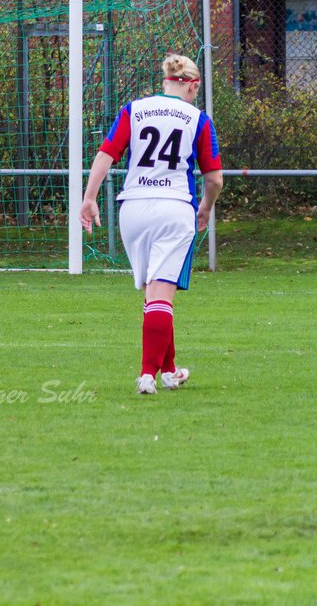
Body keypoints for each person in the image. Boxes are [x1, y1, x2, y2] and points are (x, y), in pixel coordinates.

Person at [80, 52, 223, 395]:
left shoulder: (135, 109)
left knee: (154, 293)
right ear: (192, 85)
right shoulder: (198, 118)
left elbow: (106, 155)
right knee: (161, 294)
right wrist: (204, 208)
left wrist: (88, 198)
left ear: (165, 81)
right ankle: (147, 374)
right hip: (174, 208)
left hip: (133, 209)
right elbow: (215, 179)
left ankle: (171, 371)